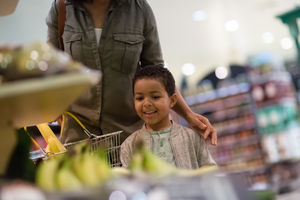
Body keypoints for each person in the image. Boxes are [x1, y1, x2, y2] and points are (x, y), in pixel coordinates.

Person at [46, 0, 217, 145]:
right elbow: (50, 69)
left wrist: (188, 115)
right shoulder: (62, 8)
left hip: (130, 137)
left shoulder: (139, 10)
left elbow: (158, 73)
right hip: (79, 139)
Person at [121, 65, 216, 169]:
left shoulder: (191, 137)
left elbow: (210, 170)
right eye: (140, 98)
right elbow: (129, 181)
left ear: (172, 101)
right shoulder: (129, 145)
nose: (146, 103)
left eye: (155, 97)